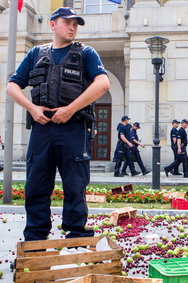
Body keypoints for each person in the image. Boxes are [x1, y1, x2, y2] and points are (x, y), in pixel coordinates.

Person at [6, 7, 110, 241]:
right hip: (42, 129)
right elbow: (12, 86)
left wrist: (70, 109)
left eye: (76, 24)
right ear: (53, 24)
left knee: (75, 187)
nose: (73, 27)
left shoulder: (86, 53)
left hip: (73, 129)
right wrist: (32, 108)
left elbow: (103, 83)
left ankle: (76, 238)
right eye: (67, 22)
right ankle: (35, 241)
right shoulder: (36, 53)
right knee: (36, 187)